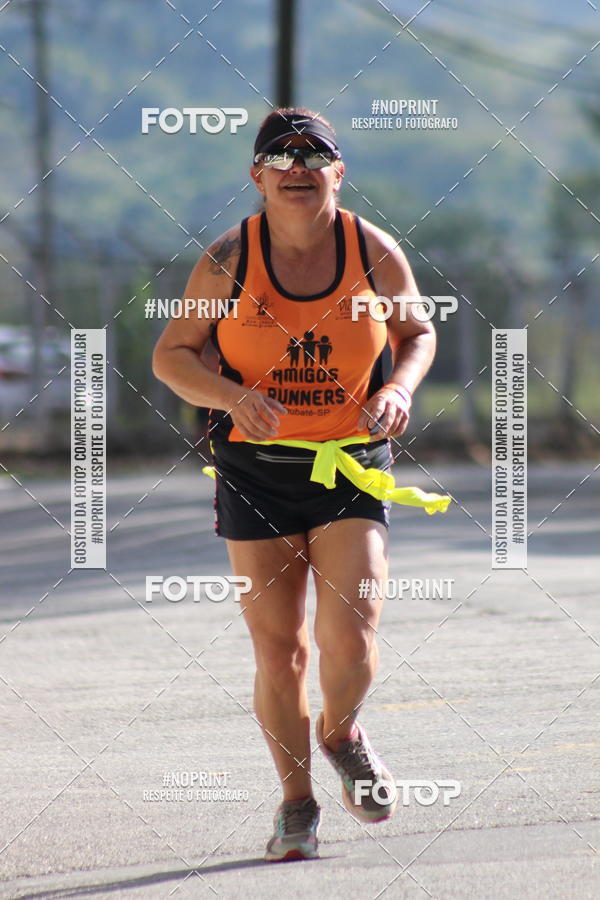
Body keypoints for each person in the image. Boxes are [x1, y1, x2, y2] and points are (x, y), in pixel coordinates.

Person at [152, 108, 449, 862]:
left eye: (313, 154)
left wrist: (402, 389)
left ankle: (342, 730)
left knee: (350, 635)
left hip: (350, 464)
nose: (296, 166)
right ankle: (296, 805)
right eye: (279, 156)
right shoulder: (227, 259)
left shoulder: (370, 249)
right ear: (257, 177)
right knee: (279, 650)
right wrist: (229, 397)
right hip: (256, 473)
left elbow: (417, 331)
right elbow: (173, 354)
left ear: (337, 173)